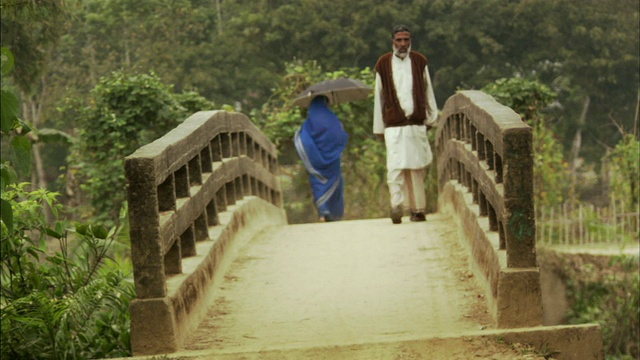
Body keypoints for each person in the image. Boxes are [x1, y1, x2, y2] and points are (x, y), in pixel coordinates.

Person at [373, 24, 438, 224]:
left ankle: (418, 209)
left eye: (406, 40)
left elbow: (428, 92)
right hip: (394, 125)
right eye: (399, 40)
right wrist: (379, 128)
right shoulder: (383, 64)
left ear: (410, 41)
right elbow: (379, 97)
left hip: (416, 123)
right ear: (393, 41)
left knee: (417, 168)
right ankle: (397, 207)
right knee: (395, 167)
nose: (402, 44)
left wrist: (431, 118)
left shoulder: (419, 62)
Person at [294, 96, 349, 222]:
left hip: (315, 161)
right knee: (335, 184)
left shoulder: (309, 122)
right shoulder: (333, 119)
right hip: (333, 160)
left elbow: (303, 140)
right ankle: (335, 214)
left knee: (318, 183)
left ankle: (323, 212)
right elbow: (341, 135)